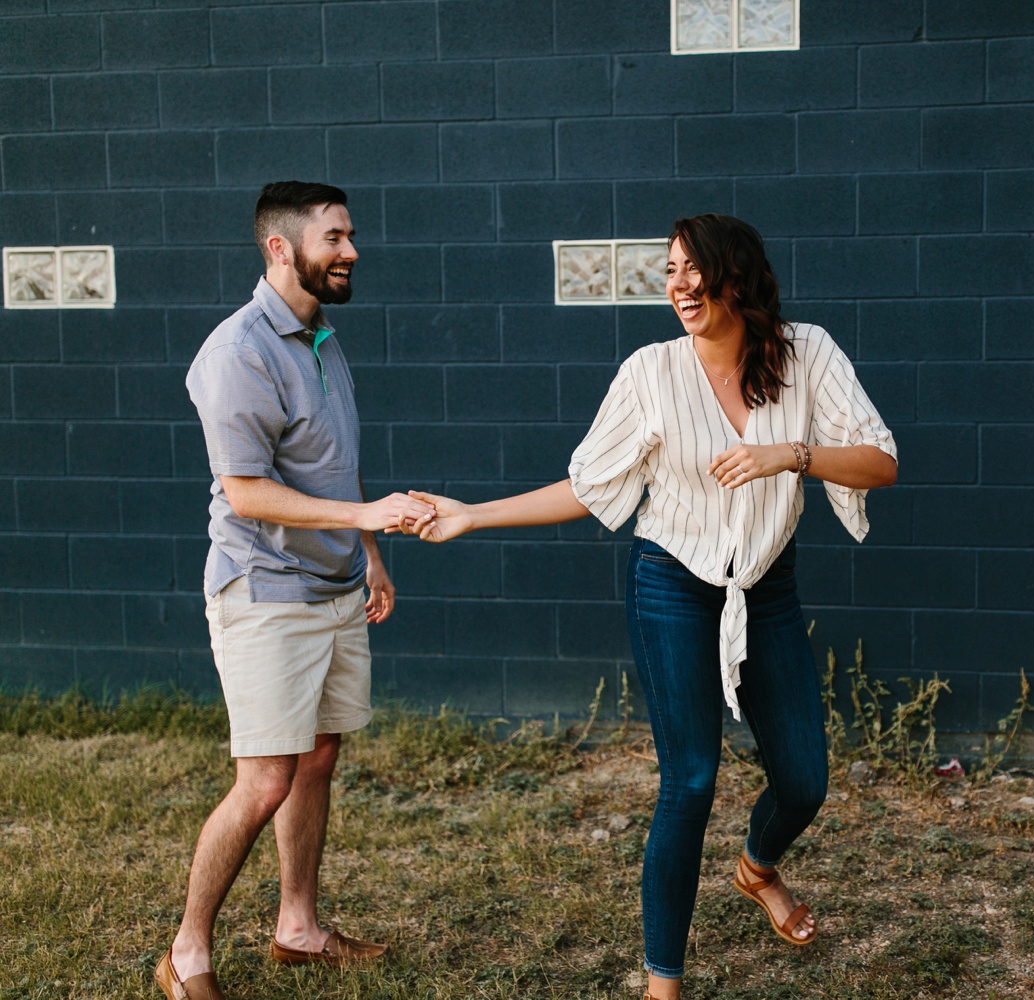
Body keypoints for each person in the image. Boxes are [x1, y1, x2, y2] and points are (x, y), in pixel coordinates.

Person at [398, 213, 897, 1000]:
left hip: (764, 586)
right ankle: (663, 986)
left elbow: (879, 462)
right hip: (671, 579)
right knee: (690, 779)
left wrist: (789, 456)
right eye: (670, 272)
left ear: (738, 277)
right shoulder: (650, 373)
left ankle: (757, 868)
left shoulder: (808, 354)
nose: (680, 286)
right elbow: (587, 488)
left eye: (694, 270)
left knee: (804, 780)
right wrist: (472, 514)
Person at [160, 181, 434, 1000]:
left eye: (350, 236)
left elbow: (324, 461)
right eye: (335, 238)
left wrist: (368, 551)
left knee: (317, 758)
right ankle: (186, 955)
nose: (351, 250)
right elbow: (245, 491)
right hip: (266, 590)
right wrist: (366, 515)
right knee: (266, 779)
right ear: (280, 248)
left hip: (336, 584)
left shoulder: (319, 334)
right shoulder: (238, 353)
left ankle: (298, 928)